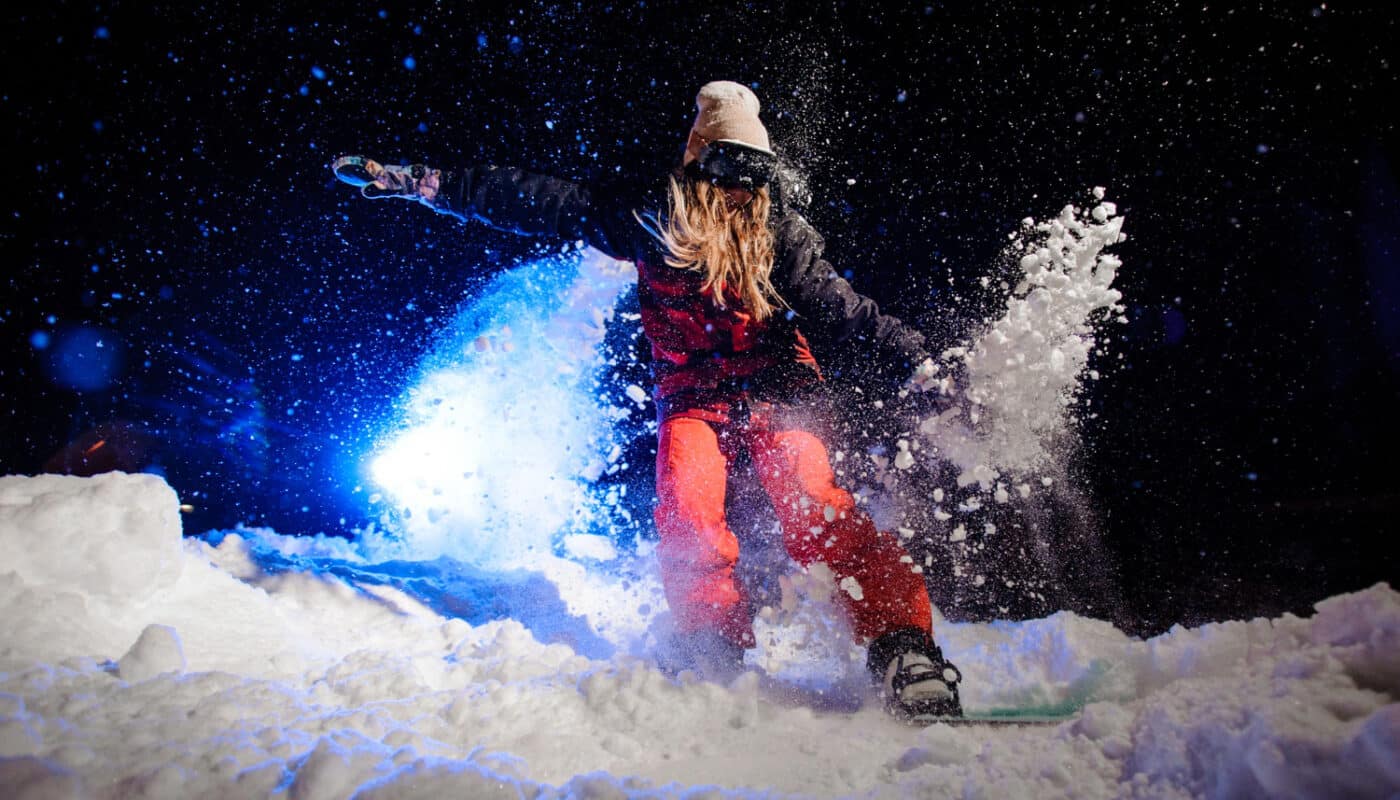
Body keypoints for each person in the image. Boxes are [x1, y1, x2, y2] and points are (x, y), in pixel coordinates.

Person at [333, 80, 963, 722]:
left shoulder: (779, 234)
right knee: (687, 513)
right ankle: (712, 642)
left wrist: (919, 361)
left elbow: (842, 308)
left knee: (811, 505)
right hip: (693, 391)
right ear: (698, 160)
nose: (738, 188)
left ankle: (903, 649)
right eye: (726, 166)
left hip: (777, 385)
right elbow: (538, 200)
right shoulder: (648, 215)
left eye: (754, 172)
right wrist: (424, 182)